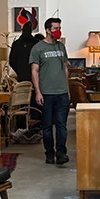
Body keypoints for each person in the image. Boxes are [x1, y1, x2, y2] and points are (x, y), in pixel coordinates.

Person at [29, 17, 70, 165]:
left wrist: (68, 88)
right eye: (55, 28)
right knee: (47, 126)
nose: (58, 31)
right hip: (46, 93)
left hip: (62, 93)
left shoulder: (61, 47)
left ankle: (61, 153)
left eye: (59, 28)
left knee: (61, 125)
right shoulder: (38, 48)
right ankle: (49, 153)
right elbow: (34, 71)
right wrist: (38, 92)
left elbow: (65, 68)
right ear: (47, 30)